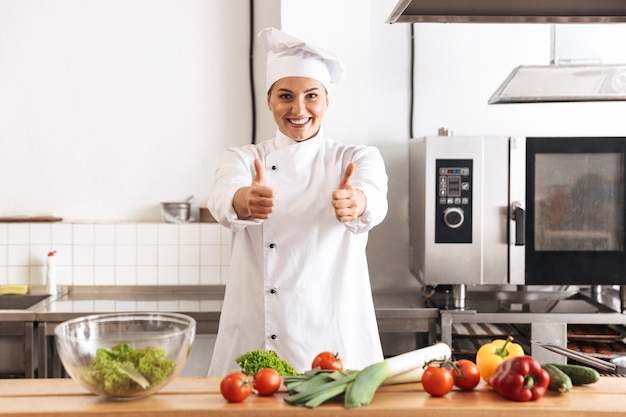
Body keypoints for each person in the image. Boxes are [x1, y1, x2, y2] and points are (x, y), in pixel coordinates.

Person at [207, 27, 388, 376]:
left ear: (327, 100)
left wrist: (358, 202)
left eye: (312, 96)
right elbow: (222, 196)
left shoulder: (357, 157)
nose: (299, 109)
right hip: (258, 333)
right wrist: (246, 200)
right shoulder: (244, 158)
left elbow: (375, 199)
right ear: (270, 101)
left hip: (334, 336)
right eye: (286, 96)